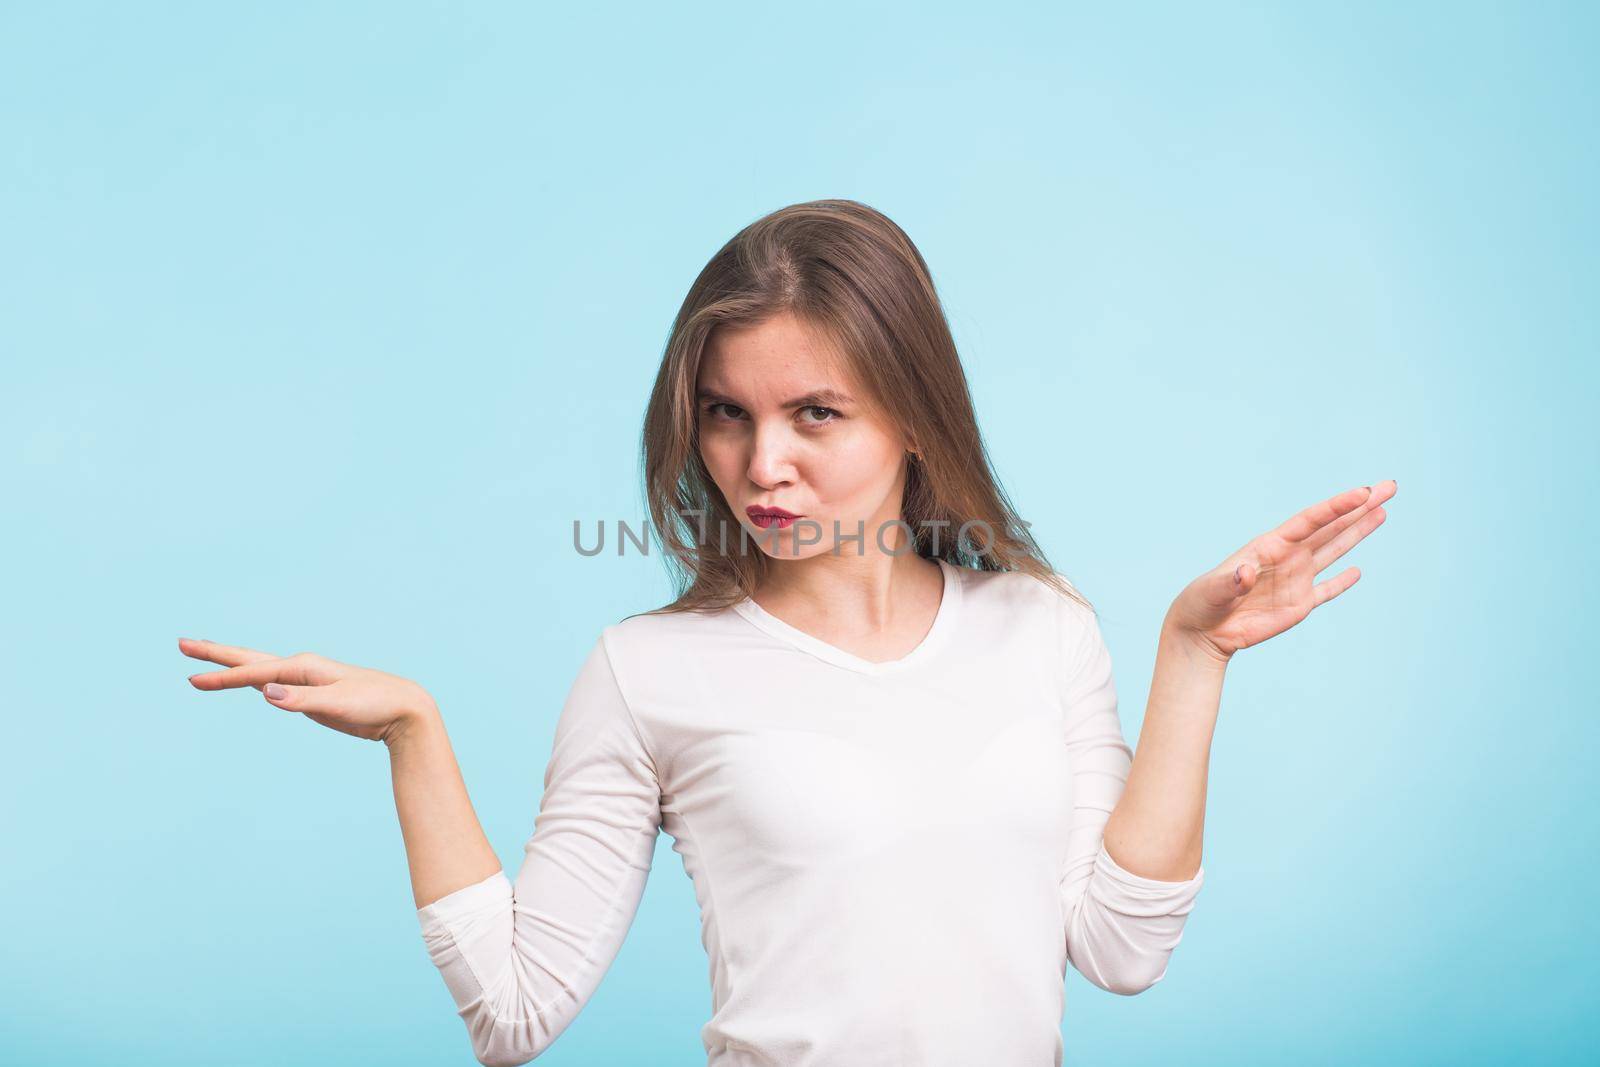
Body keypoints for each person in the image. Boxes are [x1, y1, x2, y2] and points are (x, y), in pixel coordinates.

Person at [180, 199, 1397, 1067]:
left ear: (915, 416)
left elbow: (1118, 952)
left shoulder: (1044, 628)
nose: (762, 465)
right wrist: (413, 731)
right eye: (726, 416)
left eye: (817, 412)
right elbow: (514, 1013)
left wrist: (1192, 658)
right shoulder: (649, 670)